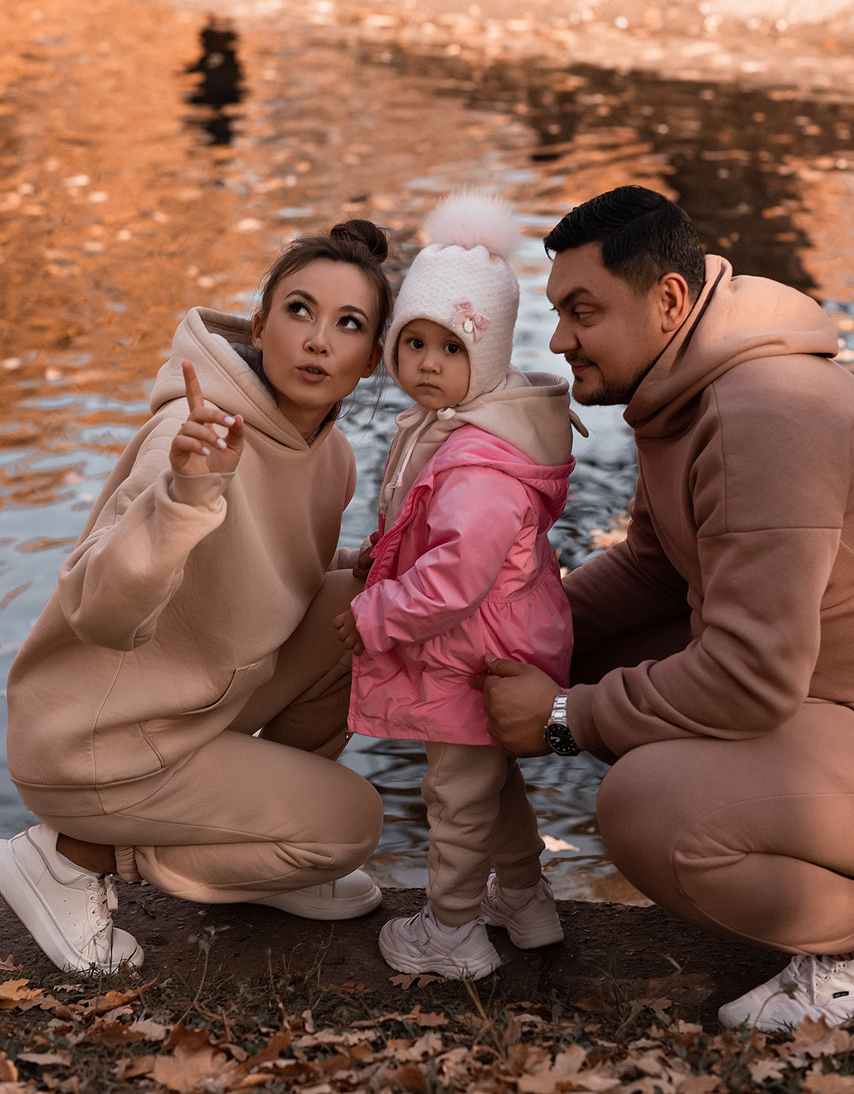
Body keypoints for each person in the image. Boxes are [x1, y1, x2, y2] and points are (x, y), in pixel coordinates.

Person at [476, 183, 854, 1030]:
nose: (560, 339)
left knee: (652, 809)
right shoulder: (685, 388)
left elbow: (750, 676)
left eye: (583, 312)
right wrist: (512, 630)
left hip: (813, 698)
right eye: (557, 312)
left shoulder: (764, 414)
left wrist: (564, 719)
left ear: (670, 301)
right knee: (558, 651)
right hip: (822, 694)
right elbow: (654, 571)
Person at [0, 220, 394, 974]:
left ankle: (266, 847)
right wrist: (186, 496)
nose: (319, 341)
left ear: (371, 359)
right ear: (260, 325)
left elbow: (272, 579)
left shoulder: (331, 456)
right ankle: (71, 858)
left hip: (189, 708)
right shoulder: (193, 434)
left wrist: (373, 563)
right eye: (300, 311)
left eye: (348, 324)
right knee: (353, 824)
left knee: (360, 601)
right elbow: (101, 612)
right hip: (98, 743)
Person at [334, 189, 582, 980]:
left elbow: (454, 579)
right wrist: (381, 554)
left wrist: (376, 612)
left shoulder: (479, 466)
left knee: (457, 797)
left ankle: (451, 932)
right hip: (495, 639)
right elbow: (432, 535)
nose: (428, 364)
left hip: (476, 650)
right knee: (491, 782)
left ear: (492, 351)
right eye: (413, 343)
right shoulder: (455, 429)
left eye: (452, 347)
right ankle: (526, 902)